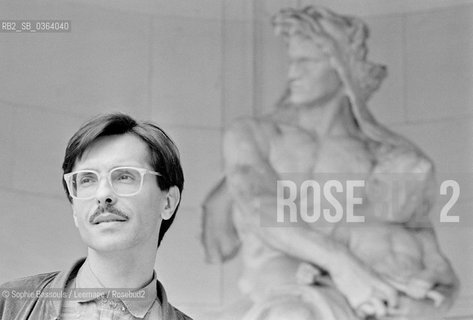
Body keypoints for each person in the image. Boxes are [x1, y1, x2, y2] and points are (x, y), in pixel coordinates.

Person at [202, 6, 458, 320]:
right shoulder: (256, 134)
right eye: (292, 61)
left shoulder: (383, 154)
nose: (292, 73)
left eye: (305, 62)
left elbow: (431, 258)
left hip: (375, 291)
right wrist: (344, 267)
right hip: (284, 291)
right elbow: (261, 208)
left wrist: (425, 297)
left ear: (341, 68)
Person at [0, 113, 192, 320]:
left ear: (169, 202)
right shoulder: (8, 305)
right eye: (87, 179)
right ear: (75, 208)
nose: (103, 195)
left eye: (124, 176)